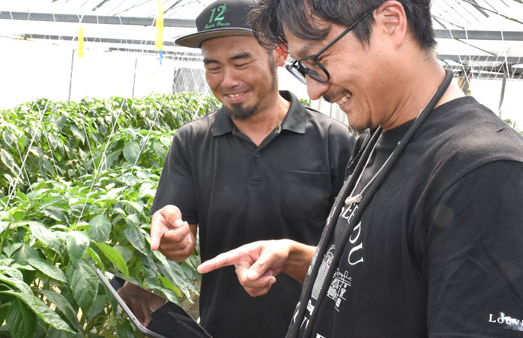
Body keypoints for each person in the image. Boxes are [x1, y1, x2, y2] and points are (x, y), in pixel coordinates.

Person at [197, 0, 523, 337]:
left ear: (391, 22)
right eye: (303, 67)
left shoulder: (482, 173)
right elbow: (381, 283)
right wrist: (294, 257)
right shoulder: (380, 138)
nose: (314, 89)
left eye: (318, 60)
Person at [148, 0, 355, 337]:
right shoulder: (191, 141)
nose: (227, 80)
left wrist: (290, 257)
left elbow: (351, 257)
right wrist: (174, 238)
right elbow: (182, 244)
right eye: (213, 67)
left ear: (280, 53)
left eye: (241, 62)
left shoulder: (335, 141)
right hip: (219, 329)